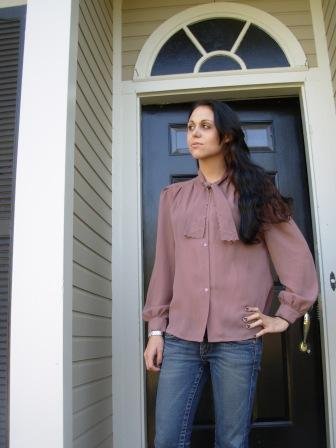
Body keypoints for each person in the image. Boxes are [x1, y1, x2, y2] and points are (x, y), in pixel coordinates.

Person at [142, 100, 318, 448]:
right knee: (166, 440)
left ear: (225, 136)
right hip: (180, 338)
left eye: (204, 126)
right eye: (191, 126)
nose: (194, 133)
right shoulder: (173, 198)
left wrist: (284, 316)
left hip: (237, 340)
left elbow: (295, 257)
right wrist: (156, 331)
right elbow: (164, 267)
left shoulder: (256, 193)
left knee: (232, 441)